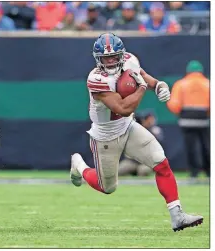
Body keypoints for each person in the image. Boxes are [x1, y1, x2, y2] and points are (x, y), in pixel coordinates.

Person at [70, 33, 203, 232]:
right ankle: (79, 165)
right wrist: (141, 88)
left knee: (161, 162)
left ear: (122, 55)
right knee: (107, 188)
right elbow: (123, 108)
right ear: (98, 59)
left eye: (114, 56)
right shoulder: (96, 79)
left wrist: (159, 86)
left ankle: (177, 216)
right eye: (106, 58)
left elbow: (145, 78)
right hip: (105, 136)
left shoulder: (130, 61)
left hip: (128, 127)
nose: (111, 61)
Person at [167, 60, 210, 178]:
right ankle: (209, 171)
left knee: (190, 146)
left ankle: (194, 172)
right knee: (206, 145)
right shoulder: (208, 84)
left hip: (186, 119)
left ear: (188, 71)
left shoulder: (181, 84)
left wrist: (179, 112)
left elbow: (174, 104)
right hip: (203, 119)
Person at [118, 111, 163, 176]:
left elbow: (159, 142)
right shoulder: (134, 130)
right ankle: (132, 172)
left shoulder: (155, 130)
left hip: (145, 162)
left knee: (143, 171)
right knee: (120, 171)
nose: (149, 121)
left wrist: (149, 128)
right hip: (132, 161)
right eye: (147, 119)